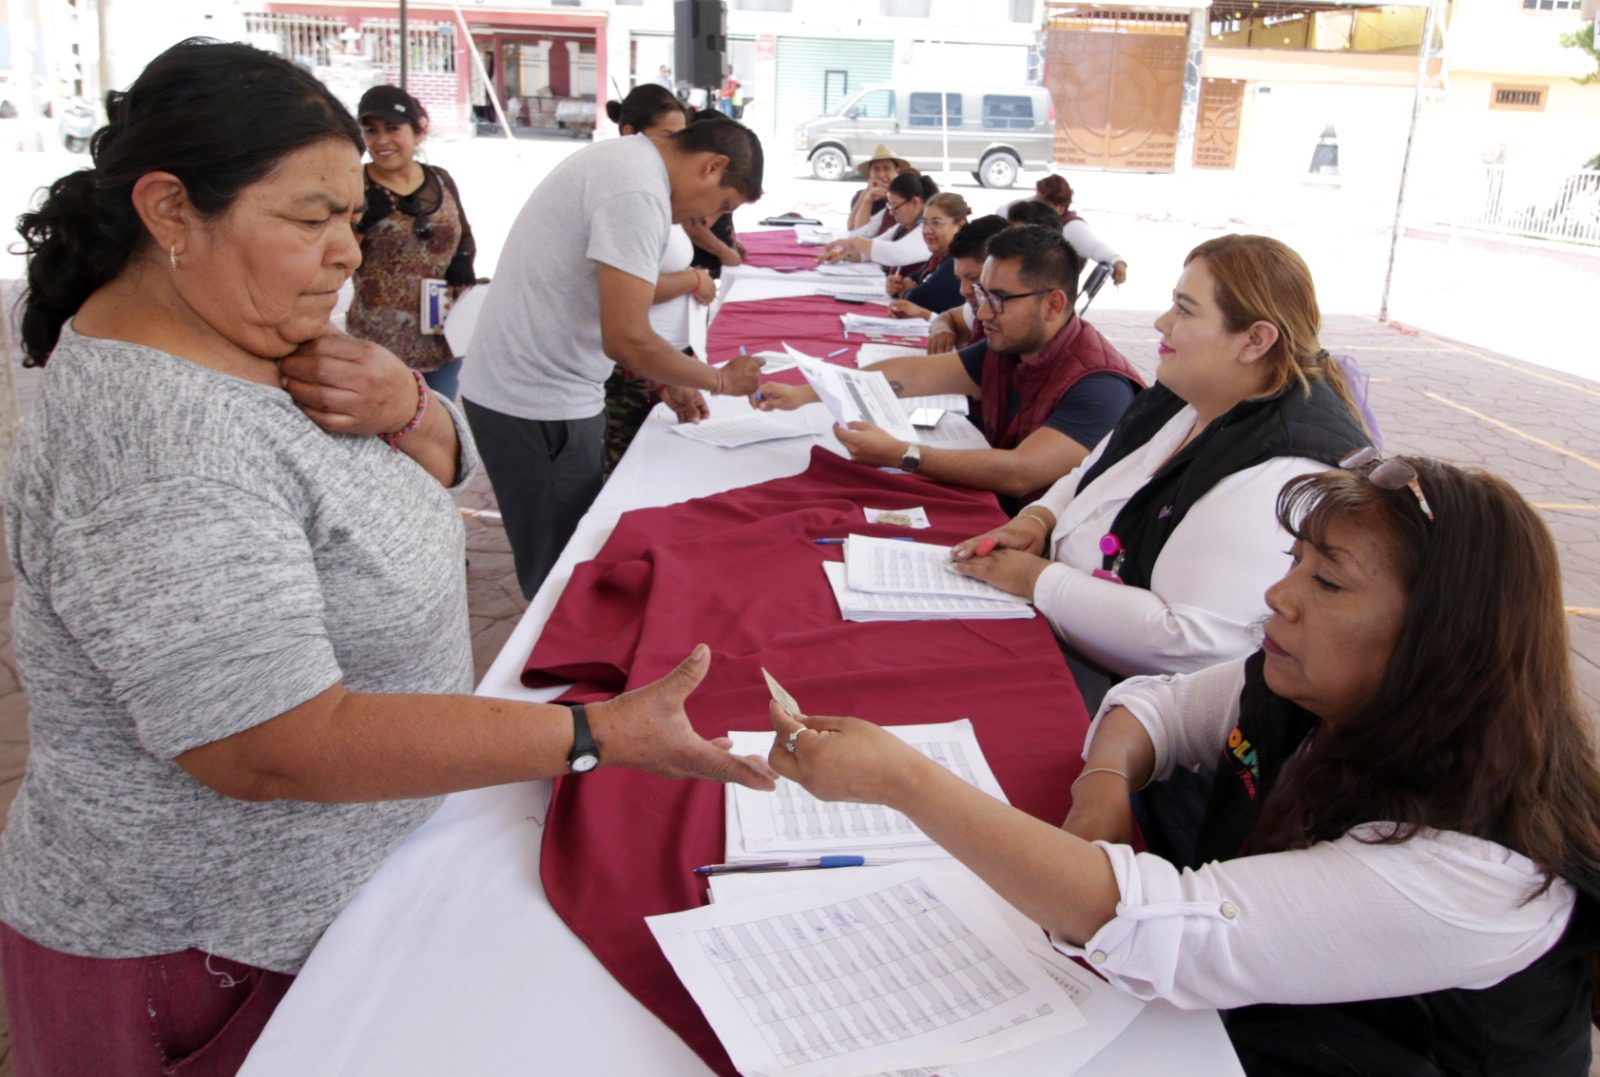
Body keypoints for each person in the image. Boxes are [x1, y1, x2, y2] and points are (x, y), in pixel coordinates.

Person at [0, 40, 778, 1075]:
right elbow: (270, 744)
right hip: (203, 949)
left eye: (350, 219)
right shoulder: (158, 447)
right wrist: (590, 733)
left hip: (324, 901)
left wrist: (409, 405)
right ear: (171, 211)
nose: (346, 257)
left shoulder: (254, 334)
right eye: (309, 220)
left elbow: (426, 478)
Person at [767, 457, 1600, 1075]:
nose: (1281, 596)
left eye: (1330, 582)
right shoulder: (1311, 688)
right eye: (1295, 561)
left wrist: (905, 781)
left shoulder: (1479, 867)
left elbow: (1161, 927)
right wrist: (1101, 790)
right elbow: (1155, 706)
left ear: (1437, 639)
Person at [950, 234, 1370, 696]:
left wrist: (1037, 579)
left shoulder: (1282, 470)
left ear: (1255, 340)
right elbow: (1092, 473)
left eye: (1185, 310)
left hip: (1138, 700)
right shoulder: (1187, 396)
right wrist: (1038, 518)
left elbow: (1192, 642)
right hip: (1072, 644)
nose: (1161, 322)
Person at [459, 113, 766, 599]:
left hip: (533, 389)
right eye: (722, 204)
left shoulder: (628, 163)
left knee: (566, 548)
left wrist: (668, 377)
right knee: (558, 570)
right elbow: (625, 337)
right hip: (536, 401)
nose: (708, 220)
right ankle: (550, 664)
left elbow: (610, 311)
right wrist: (720, 380)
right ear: (713, 166)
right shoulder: (638, 193)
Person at [756, 225, 1142, 506]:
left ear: (1054, 304)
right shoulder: (1008, 346)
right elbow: (909, 375)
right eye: (982, 293)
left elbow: (1020, 473)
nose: (983, 311)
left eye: (1000, 298)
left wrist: (901, 454)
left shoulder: (1099, 386)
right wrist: (805, 393)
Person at [599, 87, 715, 475]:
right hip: (625, 368)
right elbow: (631, 295)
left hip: (654, 363)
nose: (677, 150)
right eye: (668, 138)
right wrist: (693, 280)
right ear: (630, 133)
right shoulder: (629, 194)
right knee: (620, 471)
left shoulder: (655, 190)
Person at [348, 85, 477, 401]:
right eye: (371, 130)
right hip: (380, 342)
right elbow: (335, 257)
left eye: (393, 128)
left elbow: (463, 232)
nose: (382, 140)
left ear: (418, 132)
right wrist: (363, 225)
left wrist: (463, 262)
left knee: (437, 428)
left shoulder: (441, 179)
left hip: (442, 337)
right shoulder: (354, 185)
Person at [820, 171, 935, 274]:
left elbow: (895, 253)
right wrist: (844, 255)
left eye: (895, 206)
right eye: (889, 206)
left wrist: (853, 242)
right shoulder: (902, 227)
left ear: (915, 203)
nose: (891, 213)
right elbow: (873, 248)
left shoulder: (928, 229)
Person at [926, 214, 1009, 352]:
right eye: (959, 279)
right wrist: (942, 330)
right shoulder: (982, 304)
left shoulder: (1010, 321)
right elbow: (949, 316)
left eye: (974, 278)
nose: (963, 290)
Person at [886, 191, 969, 320]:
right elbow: (909, 279)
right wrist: (897, 284)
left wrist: (904, 291)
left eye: (936, 223)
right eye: (924, 223)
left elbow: (917, 299)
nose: (927, 231)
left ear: (960, 225)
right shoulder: (938, 257)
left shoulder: (959, 259)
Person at [1035, 174, 1128, 286]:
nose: (1035, 206)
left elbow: (1095, 247)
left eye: (1042, 203)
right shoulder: (1043, 218)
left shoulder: (1072, 226)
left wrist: (1117, 261)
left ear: (1060, 207)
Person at [844, 143, 909, 232]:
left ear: (896, 171)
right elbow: (851, 228)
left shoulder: (905, 195)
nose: (881, 175)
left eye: (886, 169)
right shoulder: (861, 195)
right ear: (870, 173)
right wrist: (866, 195)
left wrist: (888, 198)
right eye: (876, 169)